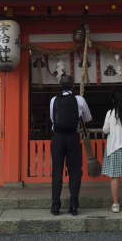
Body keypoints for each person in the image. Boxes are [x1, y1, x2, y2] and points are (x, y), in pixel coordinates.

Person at [50, 74, 92, 216]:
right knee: (75, 171)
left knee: (57, 171)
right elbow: (87, 118)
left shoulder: (53, 100)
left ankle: (55, 206)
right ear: (73, 86)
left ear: (60, 86)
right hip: (73, 137)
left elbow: (52, 119)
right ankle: (73, 205)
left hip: (57, 138)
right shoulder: (79, 100)